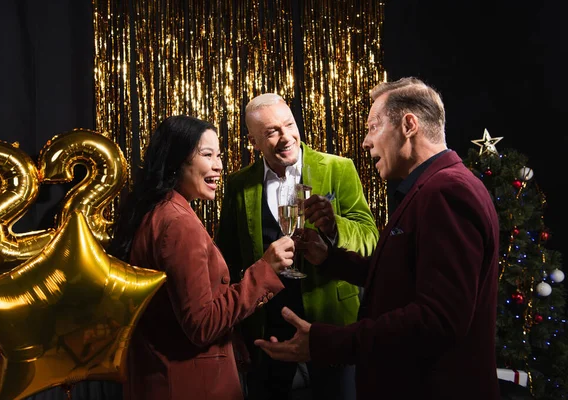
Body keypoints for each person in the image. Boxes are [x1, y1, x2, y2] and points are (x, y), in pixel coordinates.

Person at [254, 77, 501, 400]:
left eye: (373, 127)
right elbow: (401, 276)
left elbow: (438, 320)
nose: (365, 142)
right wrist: (330, 259)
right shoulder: (432, 187)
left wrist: (324, 342)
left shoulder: (446, 192)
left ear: (409, 124)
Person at [108, 115, 296, 400]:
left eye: (218, 155)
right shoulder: (178, 223)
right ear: (177, 161)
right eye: (207, 155)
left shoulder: (157, 212)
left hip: (160, 378)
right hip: (191, 384)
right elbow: (202, 324)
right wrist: (265, 270)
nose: (219, 165)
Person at [215, 93, 379, 400]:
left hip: (331, 323)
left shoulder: (337, 168)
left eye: (289, 124)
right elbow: (226, 256)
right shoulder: (239, 185)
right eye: (272, 132)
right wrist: (233, 328)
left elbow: (371, 237)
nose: (286, 136)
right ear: (253, 141)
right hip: (268, 330)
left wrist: (334, 227)